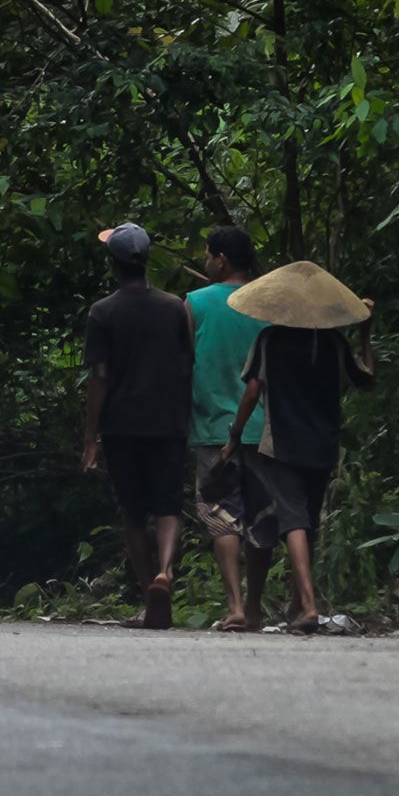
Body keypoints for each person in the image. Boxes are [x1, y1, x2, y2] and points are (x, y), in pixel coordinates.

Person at [217, 261, 376, 634]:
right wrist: (366, 333)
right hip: (323, 442)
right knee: (307, 521)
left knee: (292, 518)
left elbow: (253, 391)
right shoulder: (335, 343)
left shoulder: (270, 340)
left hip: (283, 442)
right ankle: (297, 605)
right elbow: (367, 380)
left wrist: (235, 436)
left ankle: (307, 604)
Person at [79, 222, 194, 630]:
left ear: (113, 266)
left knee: (132, 511)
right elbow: (188, 364)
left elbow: (101, 377)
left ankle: (149, 592)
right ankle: (166, 571)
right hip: (168, 421)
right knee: (168, 504)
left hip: (122, 425)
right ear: (146, 263)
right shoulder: (175, 307)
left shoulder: (102, 312)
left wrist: (90, 439)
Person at [183, 223, 269, 631]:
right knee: (259, 518)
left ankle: (234, 605)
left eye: (207, 254)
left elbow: (184, 363)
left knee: (222, 517)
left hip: (213, 428)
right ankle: (253, 606)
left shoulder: (194, 303)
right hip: (263, 428)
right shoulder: (268, 304)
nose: (204, 261)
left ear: (221, 259)